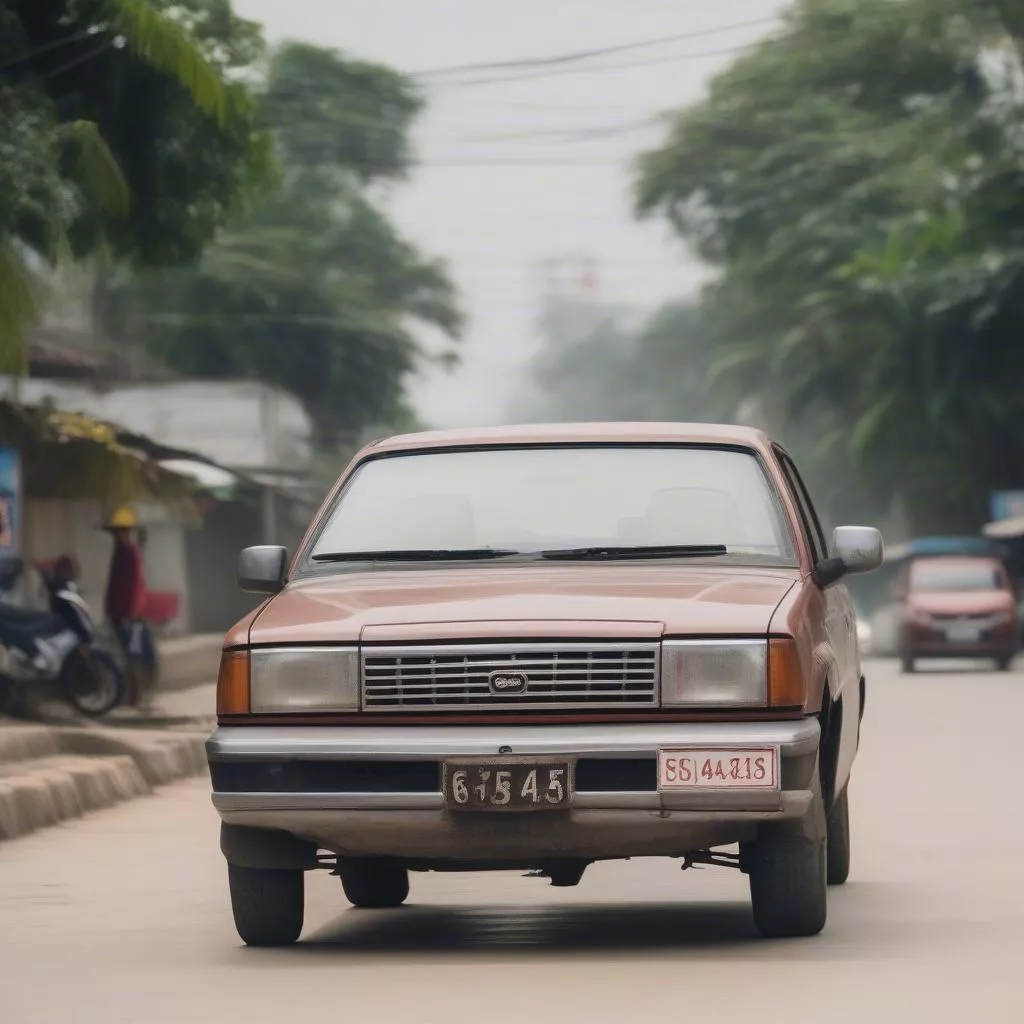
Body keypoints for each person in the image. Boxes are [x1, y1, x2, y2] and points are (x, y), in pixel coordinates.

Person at [103, 506, 155, 709]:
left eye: (122, 531)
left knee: (132, 655)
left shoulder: (130, 554)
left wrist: (132, 613)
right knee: (126, 654)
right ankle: (131, 696)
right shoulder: (120, 552)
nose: (119, 535)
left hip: (129, 615)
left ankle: (136, 697)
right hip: (119, 612)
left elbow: (135, 586)